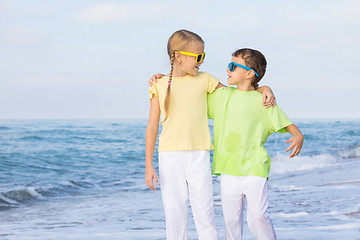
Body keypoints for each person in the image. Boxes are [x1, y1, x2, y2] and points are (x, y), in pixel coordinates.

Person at [145, 29, 275, 240]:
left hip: (199, 155)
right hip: (169, 157)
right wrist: (148, 165)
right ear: (179, 56)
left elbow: (239, 93)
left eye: (203, 56)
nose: (202, 61)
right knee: (174, 212)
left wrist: (264, 87)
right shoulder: (159, 85)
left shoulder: (205, 79)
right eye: (198, 56)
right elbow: (152, 127)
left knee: (204, 212)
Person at [207, 48, 304, 240]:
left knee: (257, 217)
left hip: (255, 168)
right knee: (231, 222)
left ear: (250, 73)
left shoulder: (265, 101)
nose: (228, 69)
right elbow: (194, 85)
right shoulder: (222, 96)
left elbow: (288, 125)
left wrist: (298, 136)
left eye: (233, 66)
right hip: (227, 168)